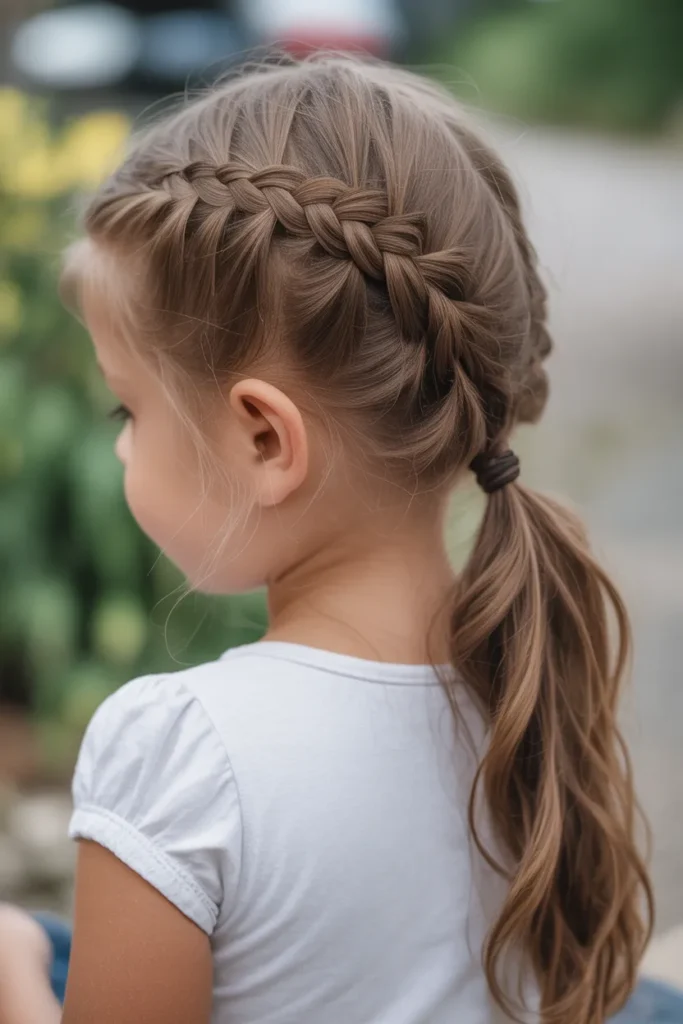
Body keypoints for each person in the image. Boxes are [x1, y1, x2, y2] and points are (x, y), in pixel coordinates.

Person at [0, 55, 655, 1024]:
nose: (121, 440)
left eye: (125, 405)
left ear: (265, 438)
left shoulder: (183, 751)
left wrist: (15, 980)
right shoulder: (521, 691)